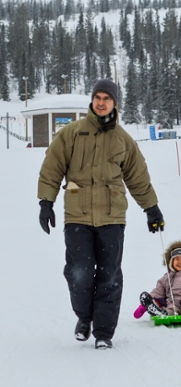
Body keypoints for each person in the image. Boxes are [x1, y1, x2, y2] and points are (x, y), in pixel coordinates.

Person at [38, 79, 164, 350]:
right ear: (92, 101)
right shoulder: (72, 133)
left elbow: (138, 178)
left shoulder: (123, 140)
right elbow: (52, 167)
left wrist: (151, 208)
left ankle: (104, 332)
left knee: (109, 275)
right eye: (98, 97)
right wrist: (46, 202)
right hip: (77, 216)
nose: (102, 102)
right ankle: (85, 319)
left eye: (107, 98)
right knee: (79, 272)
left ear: (115, 103)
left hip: (112, 217)